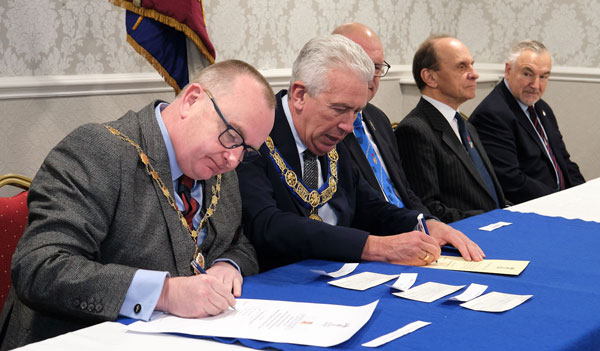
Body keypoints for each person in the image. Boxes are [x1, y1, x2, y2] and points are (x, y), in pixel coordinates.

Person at [0, 60, 275, 349]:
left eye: (246, 150)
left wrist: (227, 265)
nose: (233, 159)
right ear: (192, 100)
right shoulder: (98, 150)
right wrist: (164, 293)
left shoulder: (219, 168)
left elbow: (238, 244)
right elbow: (40, 268)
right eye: (232, 135)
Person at [237, 34, 483, 273]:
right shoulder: (254, 136)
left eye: (356, 111)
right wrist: (375, 247)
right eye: (339, 109)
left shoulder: (332, 131)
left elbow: (368, 205)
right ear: (300, 95)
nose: (348, 125)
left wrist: (423, 223)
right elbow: (267, 225)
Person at [333, 23, 482, 252]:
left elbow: (405, 192)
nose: (372, 76)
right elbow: (358, 207)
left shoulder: (377, 118)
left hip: (413, 234)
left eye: (377, 67)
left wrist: (429, 223)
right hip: (374, 245)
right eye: (363, 65)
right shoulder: (332, 125)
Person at [395, 35, 507, 223]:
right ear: (430, 77)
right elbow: (428, 209)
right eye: (462, 67)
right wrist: (489, 219)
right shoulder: (414, 130)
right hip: (465, 236)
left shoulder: (465, 124)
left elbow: (488, 193)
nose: (474, 74)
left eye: (472, 65)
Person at [470, 40, 585, 204]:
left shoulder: (541, 108)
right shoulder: (493, 114)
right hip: (532, 207)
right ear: (508, 71)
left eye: (543, 76)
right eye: (527, 74)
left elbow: (564, 161)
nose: (536, 85)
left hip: (560, 202)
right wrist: (560, 200)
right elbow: (510, 180)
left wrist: (582, 194)